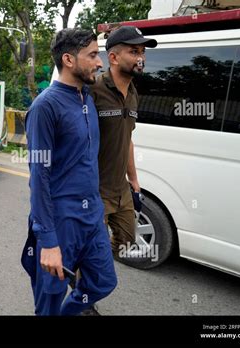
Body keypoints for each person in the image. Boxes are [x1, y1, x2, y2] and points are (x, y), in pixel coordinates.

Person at [21, 29, 117, 316]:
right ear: (68, 59)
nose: (100, 62)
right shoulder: (44, 107)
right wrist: (48, 241)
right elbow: (39, 178)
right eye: (92, 55)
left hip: (92, 214)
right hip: (61, 219)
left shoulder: (86, 96)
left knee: (103, 282)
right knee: (49, 299)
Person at [89, 26, 157, 258]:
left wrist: (134, 179)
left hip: (122, 190)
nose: (141, 58)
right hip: (94, 190)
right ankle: (84, 280)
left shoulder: (133, 94)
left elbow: (127, 138)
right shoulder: (92, 91)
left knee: (126, 243)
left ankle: (94, 265)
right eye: (134, 52)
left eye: (142, 52)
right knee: (89, 253)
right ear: (113, 58)